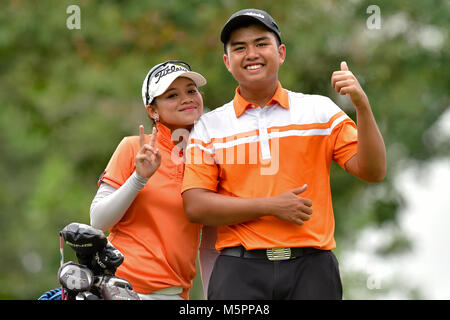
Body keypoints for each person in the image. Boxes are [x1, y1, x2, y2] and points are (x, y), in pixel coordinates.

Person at [182, 9, 386, 299]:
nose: (251, 53)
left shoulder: (319, 110)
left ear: (281, 53)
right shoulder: (209, 126)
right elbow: (195, 206)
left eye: (261, 44)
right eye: (239, 48)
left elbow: (372, 170)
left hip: (313, 269)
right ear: (228, 62)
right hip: (240, 272)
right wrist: (270, 206)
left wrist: (362, 106)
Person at [90, 60, 207, 300]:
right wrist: (139, 178)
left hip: (174, 293)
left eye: (191, 91)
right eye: (172, 95)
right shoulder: (134, 147)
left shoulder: (208, 157)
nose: (186, 99)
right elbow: (98, 220)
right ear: (153, 111)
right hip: (120, 287)